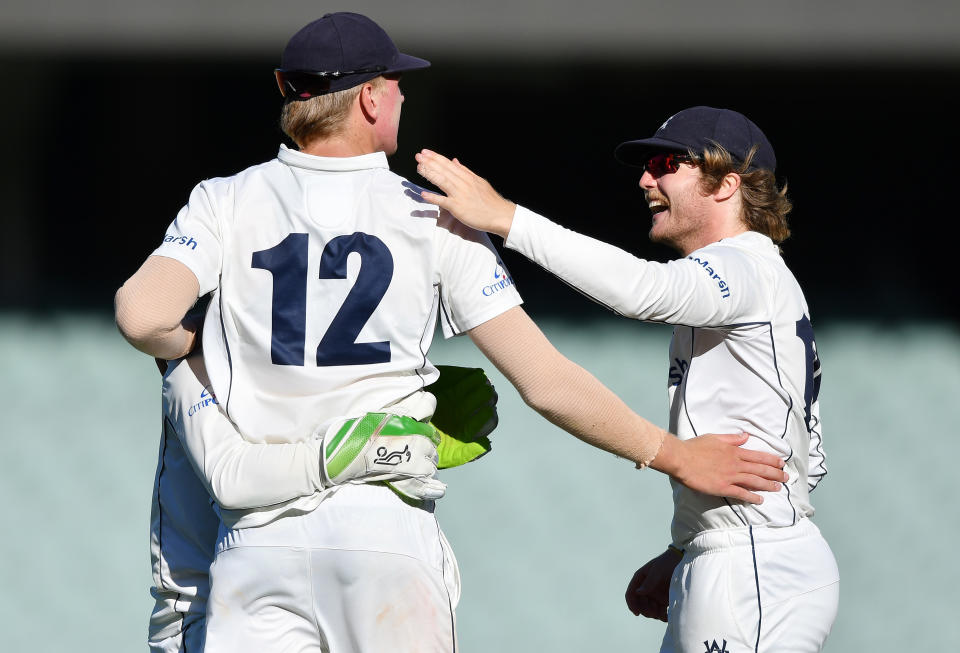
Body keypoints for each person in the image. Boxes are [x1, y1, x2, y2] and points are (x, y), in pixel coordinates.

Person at [115, 12, 787, 650]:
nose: (404, 96)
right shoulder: (430, 215)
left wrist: (194, 345)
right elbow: (546, 382)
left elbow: (142, 316)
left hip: (256, 544)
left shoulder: (223, 200)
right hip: (382, 526)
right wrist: (671, 453)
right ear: (371, 99)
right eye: (397, 83)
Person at [414, 106, 839, 652]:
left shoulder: (743, 266)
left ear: (727, 184)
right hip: (748, 556)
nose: (645, 179)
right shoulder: (755, 278)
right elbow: (810, 460)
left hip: (754, 563)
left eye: (666, 163)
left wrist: (507, 218)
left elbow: (643, 291)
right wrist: (690, 544)